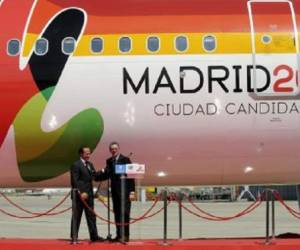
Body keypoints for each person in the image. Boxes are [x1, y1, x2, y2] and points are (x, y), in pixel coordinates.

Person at [98, 142, 135, 242]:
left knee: (125, 214)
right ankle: (119, 235)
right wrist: (95, 176)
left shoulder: (125, 159)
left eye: (115, 148)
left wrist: (132, 191)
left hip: (125, 192)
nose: (113, 150)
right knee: (117, 214)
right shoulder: (109, 161)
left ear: (118, 149)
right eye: (112, 149)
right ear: (110, 150)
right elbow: (107, 174)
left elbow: (131, 176)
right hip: (114, 192)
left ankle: (126, 236)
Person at [70, 146, 104, 242]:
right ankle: (74, 236)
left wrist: (104, 171)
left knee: (91, 216)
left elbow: (94, 176)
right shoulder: (76, 165)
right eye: (87, 153)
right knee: (77, 216)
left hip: (89, 195)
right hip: (79, 196)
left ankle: (94, 236)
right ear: (81, 154)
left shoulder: (90, 164)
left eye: (89, 153)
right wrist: (80, 192)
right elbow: (74, 181)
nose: (89, 155)